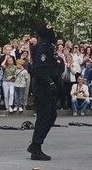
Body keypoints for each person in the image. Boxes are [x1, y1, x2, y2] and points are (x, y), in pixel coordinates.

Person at [28, 23, 65, 162]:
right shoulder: (43, 47)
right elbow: (39, 69)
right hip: (44, 87)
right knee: (44, 117)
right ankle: (36, 147)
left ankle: (35, 144)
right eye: (50, 32)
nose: (53, 34)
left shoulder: (48, 46)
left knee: (51, 115)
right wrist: (50, 82)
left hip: (50, 86)